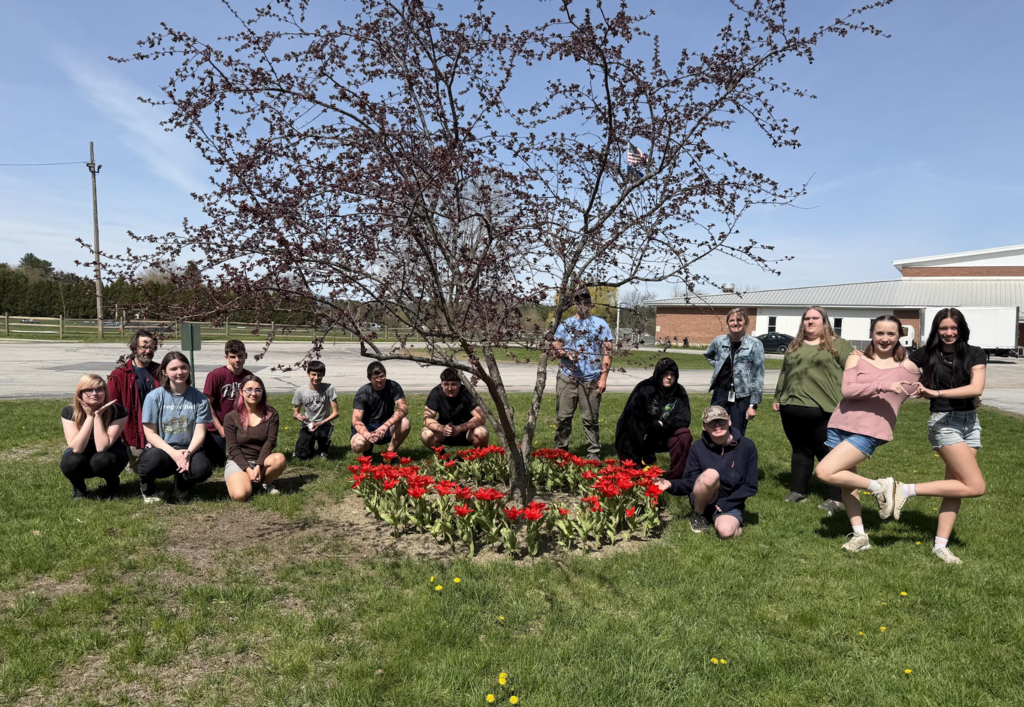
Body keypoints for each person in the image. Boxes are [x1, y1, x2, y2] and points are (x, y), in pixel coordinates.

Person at [812, 315, 922, 553]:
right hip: (841, 424)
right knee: (846, 484)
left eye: (891, 334)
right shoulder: (856, 358)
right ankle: (860, 535)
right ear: (872, 334)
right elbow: (848, 390)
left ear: (899, 335)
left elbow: (931, 384)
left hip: (871, 430)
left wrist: (961, 397)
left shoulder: (909, 367)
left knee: (824, 471)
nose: (884, 338)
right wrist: (882, 386)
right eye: (879, 333)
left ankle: (881, 487)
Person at [894, 308, 988, 564]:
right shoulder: (925, 354)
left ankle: (940, 546)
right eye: (943, 328)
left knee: (956, 488)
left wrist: (936, 393)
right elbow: (897, 372)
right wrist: (867, 358)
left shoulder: (974, 353)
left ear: (961, 329)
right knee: (975, 486)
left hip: (970, 423)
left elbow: (976, 388)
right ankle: (903, 490)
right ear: (936, 330)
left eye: (953, 328)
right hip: (944, 424)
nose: (948, 333)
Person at [772, 306, 853, 512]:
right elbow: (784, 372)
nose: (810, 321)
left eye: (815, 318)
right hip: (791, 406)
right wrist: (778, 396)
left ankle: (836, 498)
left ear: (824, 321)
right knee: (800, 449)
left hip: (825, 408)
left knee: (827, 451)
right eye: (807, 318)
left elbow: (854, 370)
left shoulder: (837, 345)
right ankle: (798, 490)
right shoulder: (795, 344)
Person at [654, 405, 758, 539]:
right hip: (703, 500)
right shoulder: (697, 448)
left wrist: (727, 503)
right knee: (711, 474)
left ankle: (727, 521)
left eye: (721, 421)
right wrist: (670, 484)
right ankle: (699, 516)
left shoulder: (747, 446)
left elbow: (750, 486)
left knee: (726, 531)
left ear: (729, 421)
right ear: (704, 426)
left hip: (729, 502)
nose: (717, 426)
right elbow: (691, 481)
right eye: (712, 422)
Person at [138, 352, 214, 503]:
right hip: (162, 450)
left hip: (188, 449)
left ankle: (182, 486)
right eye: (174, 369)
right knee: (150, 462)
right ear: (165, 372)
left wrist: (188, 453)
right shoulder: (154, 397)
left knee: (202, 470)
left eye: (183, 367)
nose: (179, 372)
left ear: (189, 369)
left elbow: (200, 433)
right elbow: (150, 434)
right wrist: (174, 453)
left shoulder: (200, 399)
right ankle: (148, 488)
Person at [552, 287, 613, 459]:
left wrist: (603, 378)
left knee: (591, 419)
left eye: (585, 301)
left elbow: (607, 353)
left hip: (591, 379)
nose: (582, 304)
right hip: (567, 377)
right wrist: (565, 353)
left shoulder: (601, 325)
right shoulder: (565, 324)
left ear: (590, 304)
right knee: (563, 418)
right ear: (574, 303)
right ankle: (560, 453)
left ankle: (593, 454)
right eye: (579, 301)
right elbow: (556, 347)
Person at [614, 357, 692, 479]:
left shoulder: (679, 391)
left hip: (662, 433)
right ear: (658, 374)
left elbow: (685, 419)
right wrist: (647, 454)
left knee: (684, 434)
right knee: (634, 478)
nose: (669, 377)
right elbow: (634, 423)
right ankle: (635, 466)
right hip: (639, 436)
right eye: (665, 374)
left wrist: (663, 424)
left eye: (673, 374)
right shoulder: (645, 389)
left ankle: (676, 476)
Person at [60, 374, 130, 499]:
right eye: (88, 390)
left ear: (105, 391)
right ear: (80, 392)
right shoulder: (69, 411)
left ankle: (113, 486)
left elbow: (102, 447)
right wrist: (90, 417)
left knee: (102, 459)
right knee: (70, 461)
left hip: (110, 454)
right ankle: (79, 488)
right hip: (82, 454)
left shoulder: (118, 411)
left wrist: (97, 416)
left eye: (99, 389)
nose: (94, 393)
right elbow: (76, 448)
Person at [223, 375, 287, 501]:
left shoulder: (271, 414)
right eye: (249, 389)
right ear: (241, 392)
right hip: (238, 461)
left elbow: (270, 442)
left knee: (279, 459)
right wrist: (247, 468)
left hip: (262, 461)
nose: (254, 393)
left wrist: (258, 465)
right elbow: (233, 448)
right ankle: (247, 481)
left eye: (258, 390)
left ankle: (265, 483)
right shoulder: (231, 417)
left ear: (262, 392)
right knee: (240, 495)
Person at [703, 308, 764, 434]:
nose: (735, 323)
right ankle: (715, 453)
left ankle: (735, 453)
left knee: (737, 430)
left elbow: (758, 375)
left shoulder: (755, 344)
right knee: (715, 426)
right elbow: (708, 355)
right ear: (727, 323)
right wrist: (718, 365)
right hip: (721, 390)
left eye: (739, 320)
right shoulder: (719, 341)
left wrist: (753, 405)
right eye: (732, 320)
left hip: (742, 394)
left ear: (746, 322)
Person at [107, 329, 160, 472]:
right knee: (139, 469)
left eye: (151, 347)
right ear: (134, 347)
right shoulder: (119, 374)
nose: (148, 351)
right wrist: (119, 434)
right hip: (133, 432)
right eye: (144, 347)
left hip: (158, 429)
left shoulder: (161, 372)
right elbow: (112, 408)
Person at [202, 339, 253, 468]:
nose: (237, 360)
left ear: (245, 356)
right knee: (217, 463)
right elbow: (206, 404)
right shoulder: (216, 375)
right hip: (216, 427)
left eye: (240, 356)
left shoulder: (248, 377)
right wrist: (220, 428)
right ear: (226, 357)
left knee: (244, 459)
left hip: (239, 425)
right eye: (232, 356)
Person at [351, 362, 411, 454]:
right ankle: (367, 450)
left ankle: (389, 455)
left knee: (405, 422)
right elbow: (356, 420)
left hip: (385, 425)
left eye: (382, 376)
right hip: (366, 426)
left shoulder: (393, 386)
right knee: (358, 445)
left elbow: (403, 409)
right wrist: (367, 434)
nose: (380, 380)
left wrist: (385, 426)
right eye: (375, 378)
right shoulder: (362, 392)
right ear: (370, 378)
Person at [421, 367, 489, 449]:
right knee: (426, 434)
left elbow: (481, 418)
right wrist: (442, 428)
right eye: (446, 384)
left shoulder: (466, 393)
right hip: (445, 432)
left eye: (453, 384)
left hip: (467, 431)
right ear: (442, 384)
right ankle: (443, 458)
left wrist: (459, 428)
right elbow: (427, 419)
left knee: (482, 432)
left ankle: (479, 458)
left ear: (460, 383)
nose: (449, 388)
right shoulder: (436, 393)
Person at [292, 361, 339, 459]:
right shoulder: (300, 391)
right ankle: (307, 446)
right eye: (313, 375)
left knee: (321, 434)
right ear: (308, 374)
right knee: (302, 456)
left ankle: (324, 448)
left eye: (319, 375)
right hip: (308, 423)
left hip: (324, 423)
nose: (316, 378)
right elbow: (295, 412)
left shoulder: (329, 388)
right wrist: (298, 416)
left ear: (323, 375)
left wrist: (322, 422)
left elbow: (336, 413)